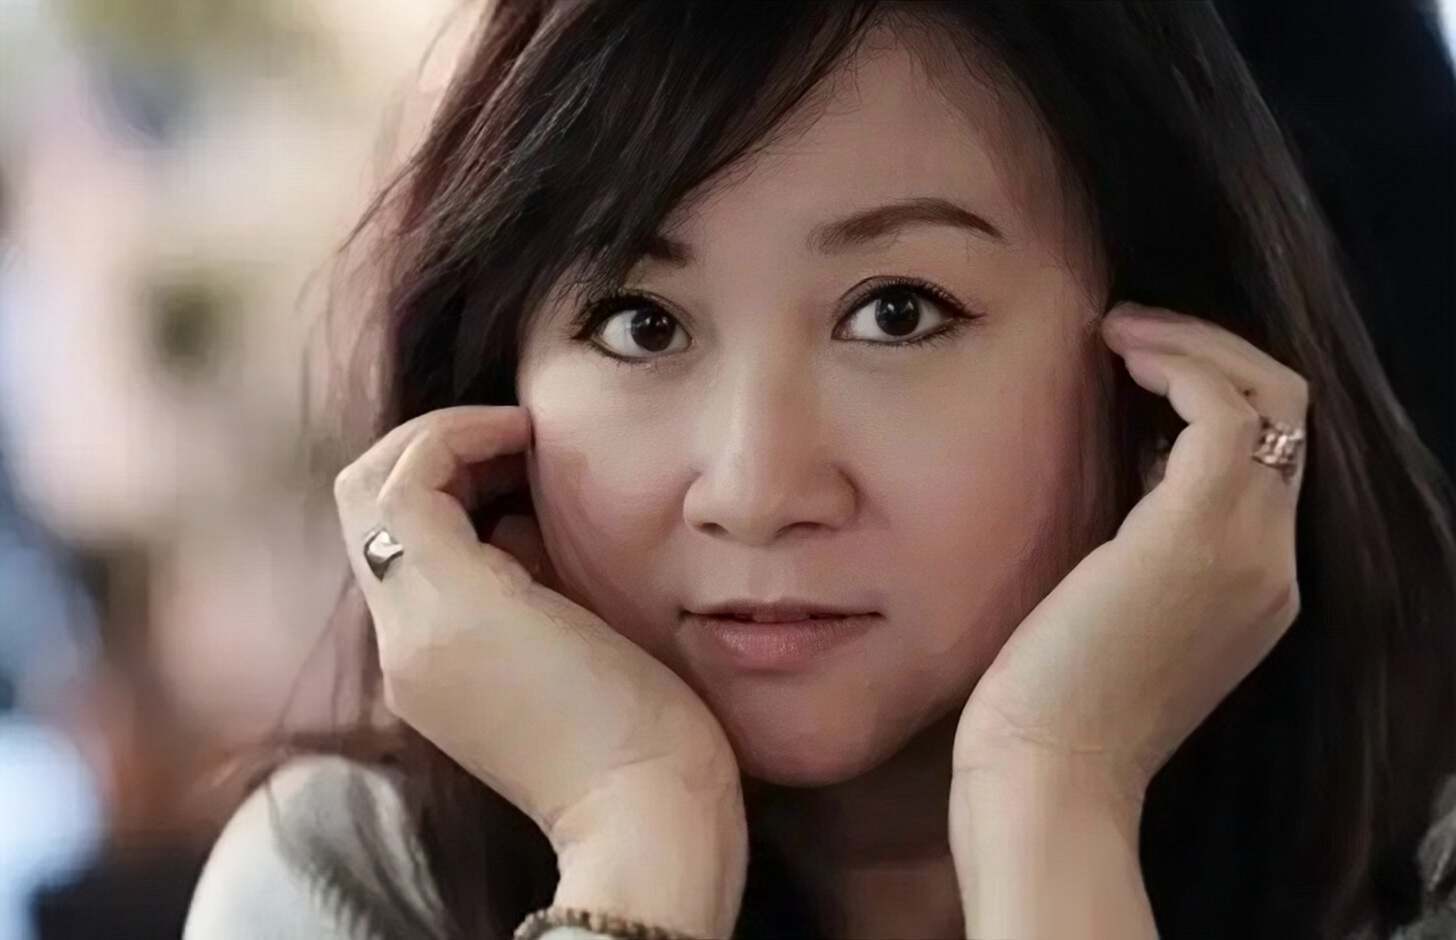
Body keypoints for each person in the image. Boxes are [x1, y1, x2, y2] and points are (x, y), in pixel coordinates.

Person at [183, 2, 1456, 938]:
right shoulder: (349, 882)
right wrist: (633, 840)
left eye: (896, 312)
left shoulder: (1421, 872)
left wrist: (1056, 803)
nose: (755, 487)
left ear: (1167, 371)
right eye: (640, 324)